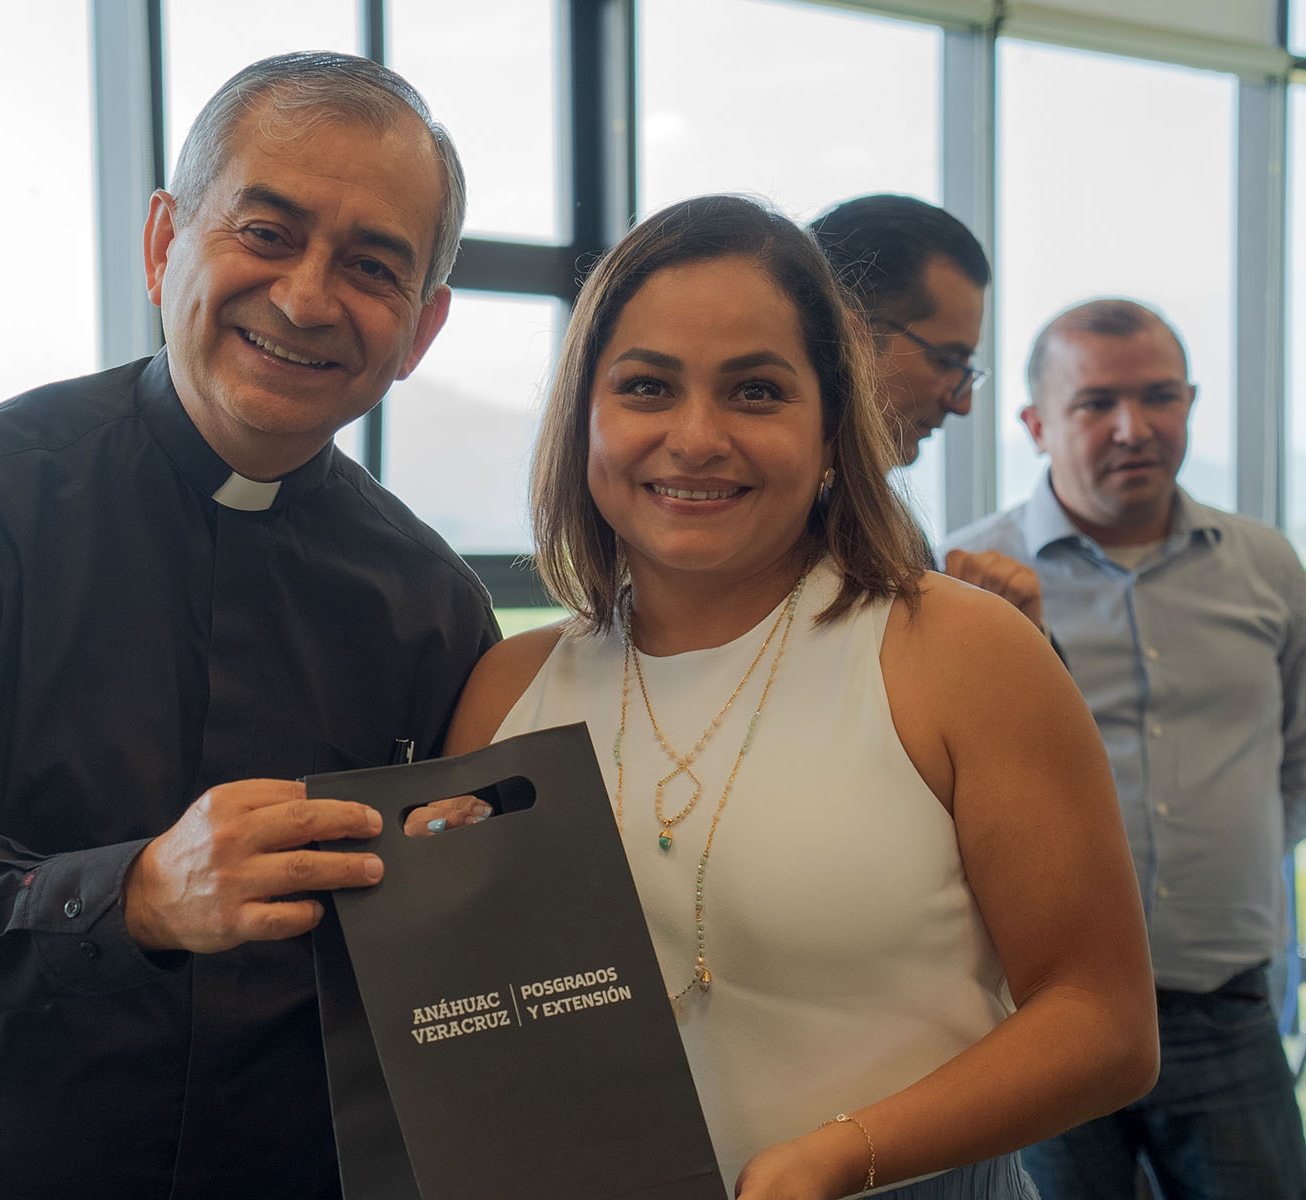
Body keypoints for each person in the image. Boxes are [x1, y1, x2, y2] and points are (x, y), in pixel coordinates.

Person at [0, 52, 499, 1200]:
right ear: (165, 242)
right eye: (267, 231)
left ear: (421, 328)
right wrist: (136, 895)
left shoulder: (434, 606)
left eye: (372, 266)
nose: (306, 296)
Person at [434, 195, 1157, 1198]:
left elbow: (1106, 1022)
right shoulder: (509, 692)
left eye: (756, 393)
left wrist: (837, 1155)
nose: (696, 437)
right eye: (646, 386)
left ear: (830, 431)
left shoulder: (955, 652)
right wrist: (429, 915)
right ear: (583, 421)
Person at [940, 298, 1306, 1199]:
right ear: (1035, 424)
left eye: (1160, 397)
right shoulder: (964, 583)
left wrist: (1241, 852)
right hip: (1037, 1016)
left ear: (1192, 402)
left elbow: (1295, 755)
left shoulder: (1268, 567)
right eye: (1096, 403)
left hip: (1227, 1001)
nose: (1133, 428)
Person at [810, 194, 1043, 627]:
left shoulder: (884, 524)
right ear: (847, 336)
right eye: (946, 360)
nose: (963, 403)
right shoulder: (755, 521)